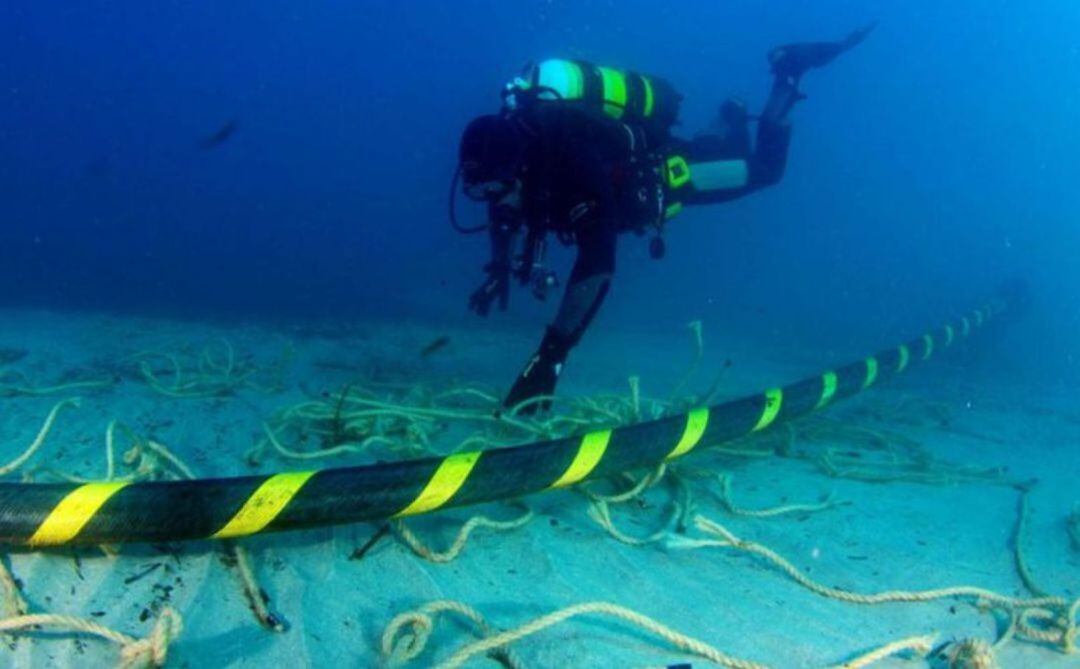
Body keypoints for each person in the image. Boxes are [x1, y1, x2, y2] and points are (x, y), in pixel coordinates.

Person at [456, 24, 875, 415]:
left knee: (765, 170)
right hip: (644, 165)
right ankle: (728, 117)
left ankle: (788, 74)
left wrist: (551, 357)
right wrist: (498, 267)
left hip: (670, 177)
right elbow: (504, 210)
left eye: (496, 187)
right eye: (482, 191)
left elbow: (597, 264)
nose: (494, 200)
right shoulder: (513, 163)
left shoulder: (572, 167)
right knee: (707, 150)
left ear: (521, 166)